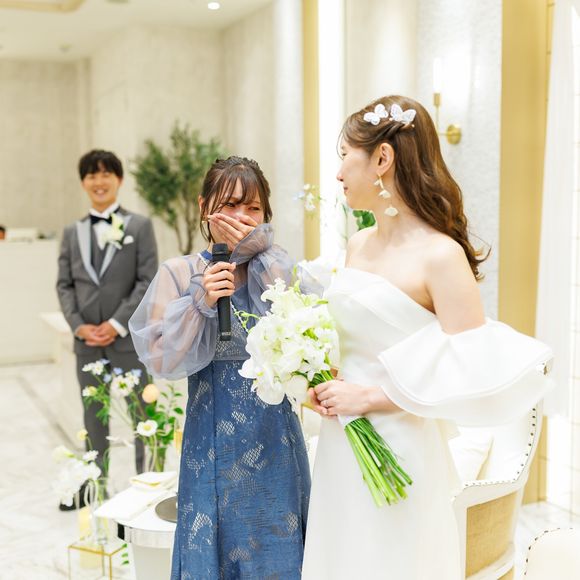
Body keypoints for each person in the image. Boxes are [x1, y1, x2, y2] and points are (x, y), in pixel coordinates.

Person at [302, 96, 553, 579]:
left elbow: (469, 365)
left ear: (382, 158)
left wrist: (371, 396)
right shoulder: (356, 245)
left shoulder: (441, 256)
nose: (337, 172)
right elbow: (358, 340)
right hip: (341, 442)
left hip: (402, 445)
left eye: (344, 155)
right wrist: (322, 379)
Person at [129, 156, 311, 579]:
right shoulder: (179, 272)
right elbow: (160, 357)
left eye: (253, 208)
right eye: (229, 205)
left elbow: (308, 334)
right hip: (211, 441)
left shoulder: (277, 267)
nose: (241, 217)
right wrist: (200, 302)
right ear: (204, 207)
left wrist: (263, 256)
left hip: (276, 438)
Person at [56, 149, 158, 486]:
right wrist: (79, 326)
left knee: (143, 414)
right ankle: (97, 485)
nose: (99, 182)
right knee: (93, 417)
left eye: (106, 174)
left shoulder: (139, 226)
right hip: (87, 344)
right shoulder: (71, 232)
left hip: (127, 341)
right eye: (91, 175)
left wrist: (116, 323)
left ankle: (149, 485)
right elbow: (65, 285)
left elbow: (147, 280)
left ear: (119, 180)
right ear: (83, 182)